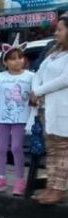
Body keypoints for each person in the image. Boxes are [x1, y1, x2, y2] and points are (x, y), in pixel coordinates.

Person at [0, 41, 33, 195]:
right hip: (2, 119)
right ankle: (0, 177)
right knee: (1, 148)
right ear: (5, 62)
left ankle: (20, 180)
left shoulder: (31, 77)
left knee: (16, 147)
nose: (18, 61)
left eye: (20, 57)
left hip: (21, 119)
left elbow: (36, 96)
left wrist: (34, 117)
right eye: (13, 58)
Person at [31, 15, 68, 205]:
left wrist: (38, 90)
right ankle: (51, 186)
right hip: (46, 107)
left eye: (60, 29)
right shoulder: (55, 52)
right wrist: (36, 90)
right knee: (52, 149)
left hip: (62, 107)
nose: (56, 33)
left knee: (63, 150)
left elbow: (64, 79)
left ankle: (60, 189)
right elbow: (39, 72)